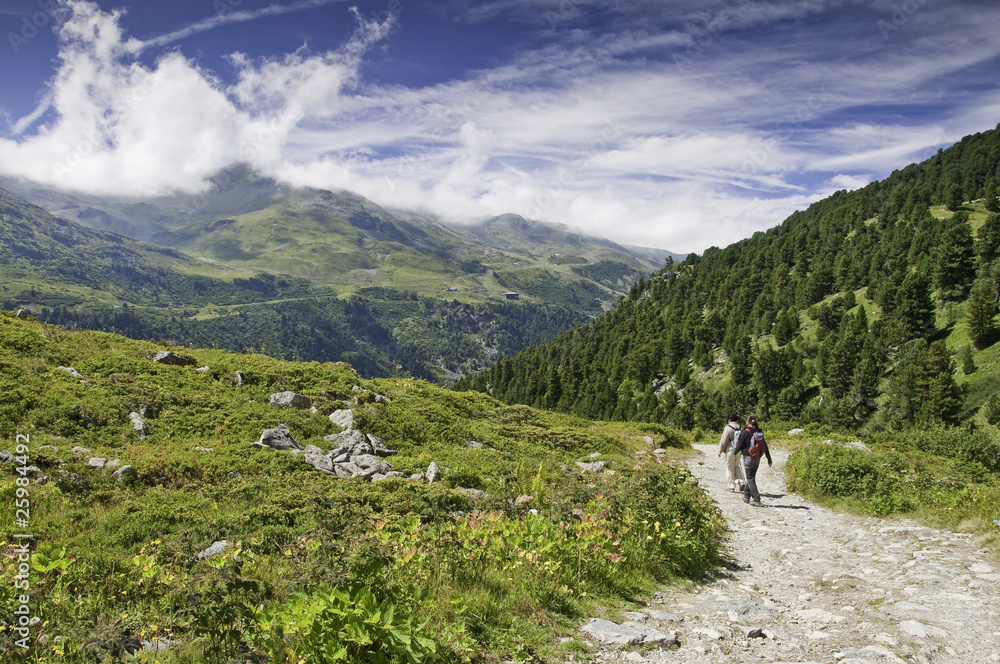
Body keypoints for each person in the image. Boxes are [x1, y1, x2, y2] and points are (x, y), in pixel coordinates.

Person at [734, 412, 772, 507]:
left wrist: (734, 454)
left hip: (748, 457)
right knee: (751, 477)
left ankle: (756, 499)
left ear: (747, 421)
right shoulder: (759, 431)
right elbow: (765, 446)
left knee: (750, 478)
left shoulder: (745, 431)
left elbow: (740, 444)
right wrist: (769, 459)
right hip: (757, 457)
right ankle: (746, 496)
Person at [716, 412, 743, 492]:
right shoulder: (740, 427)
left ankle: (731, 485)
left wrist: (720, 450)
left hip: (730, 449)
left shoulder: (728, 427)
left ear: (729, 419)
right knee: (737, 465)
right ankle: (741, 482)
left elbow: (724, 440)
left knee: (729, 467)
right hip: (739, 449)